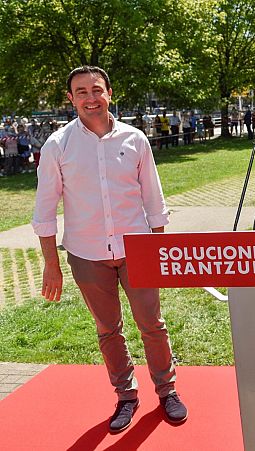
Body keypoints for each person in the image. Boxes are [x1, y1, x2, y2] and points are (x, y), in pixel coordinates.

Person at [31, 66, 188, 433]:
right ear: (71, 99)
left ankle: (167, 391)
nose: (91, 98)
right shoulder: (57, 145)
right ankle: (126, 396)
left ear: (109, 93)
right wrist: (51, 265)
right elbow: (44, 210)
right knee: (108, 330)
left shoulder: (135, 139)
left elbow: (154, 200)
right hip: (86, 254)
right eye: (81, 92)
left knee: (152, 325)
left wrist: (159, 251)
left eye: (96, 89)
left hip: (137, 249)